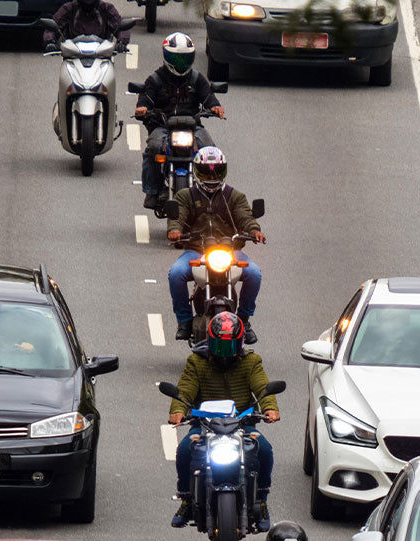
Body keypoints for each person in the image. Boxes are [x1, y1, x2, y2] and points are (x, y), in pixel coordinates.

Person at [167, 311, 278, 530]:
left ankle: (261, 500)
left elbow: (262, 386)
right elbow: (186, 389)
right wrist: (178, 410)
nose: (224, 353)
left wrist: (270, 408)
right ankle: (187, 499)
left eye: (230, 347)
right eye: (220, 346)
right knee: (185, 449)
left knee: (263, 448)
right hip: (205, 425)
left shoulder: (251, 362)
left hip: (242, 425)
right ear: (210, 342)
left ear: (240, 344)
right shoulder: (197, 362)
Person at [167, 147, 266, 343]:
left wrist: (254, 230)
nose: (212, 176)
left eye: (217, 171)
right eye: (206, 171)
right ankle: (184, 321)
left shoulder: (234, 196)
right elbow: (177, 218)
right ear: (196, 172)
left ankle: (244, 320)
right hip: (197, 251)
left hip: (230, 251)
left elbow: (245, 217)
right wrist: (175, 230)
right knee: (176, 274)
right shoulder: (186, 196)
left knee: (254, 273)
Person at [134, 32, 225, 210]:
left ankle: (211, 190)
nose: (180, 63)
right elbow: (145, 98)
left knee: (210, 149)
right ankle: (152, 190)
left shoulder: (197, 79)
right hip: (163, 127)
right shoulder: (155, 79)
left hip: (192, 126)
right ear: (166, 56)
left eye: (184, 58)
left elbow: (208, 96)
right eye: (176, 58)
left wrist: (215, 107)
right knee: (153, 149)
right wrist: (142, 109)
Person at [42, 0, 128, 50]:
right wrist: (50, 41)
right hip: (73, 57)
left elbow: (120, 26)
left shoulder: (107, 8)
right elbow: (54, 25)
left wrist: (121, 42)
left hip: (102, 56)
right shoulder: (69, 8)